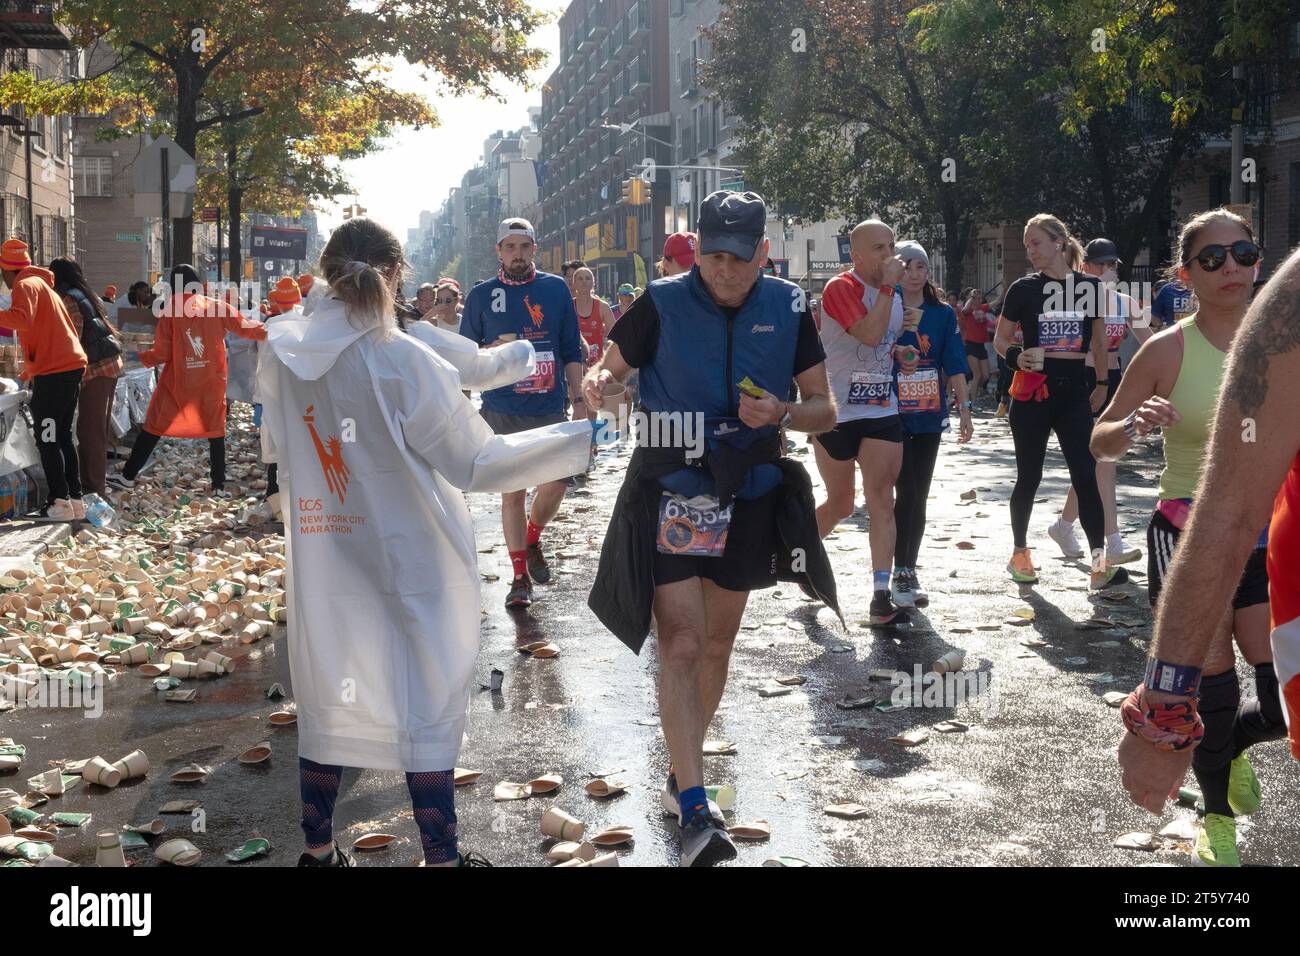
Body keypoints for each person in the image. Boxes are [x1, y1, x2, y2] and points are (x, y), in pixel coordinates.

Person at [258, 217, 589, 868]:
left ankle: (318, 851)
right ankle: (442, 858)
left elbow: (277, 449)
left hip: (327, 548)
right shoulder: (400, 358)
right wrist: (576, 442)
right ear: (391, 279)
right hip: (410, 550)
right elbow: (478, 464)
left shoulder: (280, 351)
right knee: (425, 695)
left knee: (331, 690)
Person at [585, 190, 838, 866]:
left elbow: (826, 408)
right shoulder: (662, 301)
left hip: (749, 491)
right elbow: (609, 370)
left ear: (762, 253)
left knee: (719, 645)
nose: (724, 270)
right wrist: (600, 385)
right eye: (712, 255)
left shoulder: (787, 307)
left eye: (738, 257)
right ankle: (696, 807)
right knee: (685, 644)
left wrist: (784, 410)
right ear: (695, 249)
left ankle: (680, 772)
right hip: (673, 491)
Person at [1100, 209, 1285, 866]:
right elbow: (1101, 436)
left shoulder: (1283, 344)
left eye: (1243, 253)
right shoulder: (1168, 350)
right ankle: (1215, 822)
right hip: (1188, 534)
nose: (1232, 267)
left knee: (1282, 695)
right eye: (1213, 259)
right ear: (1186, 275)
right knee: (1208, 692)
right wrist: (1134, 426)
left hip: (1268, 537)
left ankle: (1230, 747)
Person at [992, 213, 1124, 589]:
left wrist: (1101, 382)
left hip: (1073, 391)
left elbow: (1099, 342)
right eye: (1027, 244)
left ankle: (1100, 564)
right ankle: (1020, 553)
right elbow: (1000, 341)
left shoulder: (1090, 287)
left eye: (1036, 242)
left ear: (1058, 243)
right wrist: (1016, 356)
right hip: (1033, 391)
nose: (1030, 250)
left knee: (1086, 475)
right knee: (1029, 477)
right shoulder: (1023, 289)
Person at [459, 218, 585, 608]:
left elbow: (570, 348)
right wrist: (489, 353)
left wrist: (579, 397)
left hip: (549, 404)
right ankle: (518, 578)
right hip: (502, 408)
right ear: (499, 251)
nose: (517, 254)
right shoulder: (482, 295)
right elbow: (464, 358)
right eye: (509, 247)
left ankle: (533, 538)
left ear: (535, 250)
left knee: (558, 482)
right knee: (511, 493)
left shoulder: (554, 289)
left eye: (524, 247)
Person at [814, 219, 919, 624]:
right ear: (856, 255)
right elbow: (869, 335)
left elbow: (885, 347)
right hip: (837, 412)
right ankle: (799, 551)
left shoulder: (894, 294)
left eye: (891, 245)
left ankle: (879, 595)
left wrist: (903, 358)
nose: (889, 253)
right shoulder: (840, 288)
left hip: (880, 411)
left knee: (881, 500)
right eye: (878, 248)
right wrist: (890, 291)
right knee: (841, 503)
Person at [108, 264, 267, 499]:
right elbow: (247, 328)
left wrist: (138, 357)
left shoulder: (171, 311)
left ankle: (129, 476)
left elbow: (162, 354)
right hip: (211, 380)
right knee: (216, 430)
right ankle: (218, 485)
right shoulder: (216, 307)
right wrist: (276, 328)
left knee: (153, 426)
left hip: (179, 382)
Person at [1049, 237, 1151, 565]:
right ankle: (1113, 541)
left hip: (1115, 386)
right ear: (1085, 266)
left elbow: (1151, 346)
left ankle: (1064, 526)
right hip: (1086, 385)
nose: (1109, 270)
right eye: (1102, 264)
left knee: (1095, 462)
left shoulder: (1127, 302)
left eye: (1113, 265)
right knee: (1104, 461)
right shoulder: (1073, 299)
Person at [891, 241, 973, 608]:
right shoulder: (883, 304)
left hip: (927, 413)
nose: (912, 273)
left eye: (920, 267)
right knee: (901, 491)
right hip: (888, 414)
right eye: (906, 266)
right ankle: (895, 569)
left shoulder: (942, 314)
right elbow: (861, 350)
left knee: (917, 493)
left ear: (927, 273)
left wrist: (965, 410)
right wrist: (893, 333)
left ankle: (907, 567)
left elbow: (954, 364)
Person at [0, 239, 88, 520]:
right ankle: (74, 500)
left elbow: (22, 320)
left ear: (8, 271)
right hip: (66, 368)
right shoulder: (42, 286)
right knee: (61, 436)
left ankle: (58, 502)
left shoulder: (25, 286)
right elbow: (46, 333)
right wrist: (30, 370)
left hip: (57, 373)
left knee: (47, 437)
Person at [50, 257, 123, 502]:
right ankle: (90, 485)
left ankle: (94, 491)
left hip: (96, 369)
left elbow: (72, 339)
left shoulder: (69, 298)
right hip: (107, 366)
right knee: (93, 430)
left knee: (90, 431)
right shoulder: (83, 293)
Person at [959, 288, 993, 401]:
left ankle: (971, 389)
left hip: (981, 345)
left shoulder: (983, 308)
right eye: (976, 298)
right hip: (970, 345)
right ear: (971, 299)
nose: (979, 300)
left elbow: (998, 301)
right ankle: (972, 402)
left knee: (986, 376)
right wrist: (972, 297)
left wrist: (1006, 288)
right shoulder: (967, 311)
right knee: (977, 374)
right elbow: (964, 309)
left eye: (980, 298)